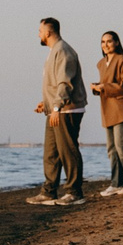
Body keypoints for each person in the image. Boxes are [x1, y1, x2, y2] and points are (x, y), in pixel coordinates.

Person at [27, 16, 87, 206]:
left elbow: (65, 83)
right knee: (51, 152)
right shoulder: (54, 52)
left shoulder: (63, 51)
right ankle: (49, 191)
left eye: (39, 31)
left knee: (68, 151)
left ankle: (74, 192)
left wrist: (56, 106)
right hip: (55, 110)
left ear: (48, 32)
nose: (38, 34)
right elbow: (55, 85)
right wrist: (45, 104)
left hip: (66, 111)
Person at [91, 30, 123, 195]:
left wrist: (104, 87)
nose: (105, 45)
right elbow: (106, 84)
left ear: (117, 43)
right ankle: (117, 183)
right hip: (107, 109)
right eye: (103, 42)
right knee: (112, 148)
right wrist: (98, 87)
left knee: (122, 146)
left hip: (121, 108)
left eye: (109, 41)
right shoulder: (101, 63)